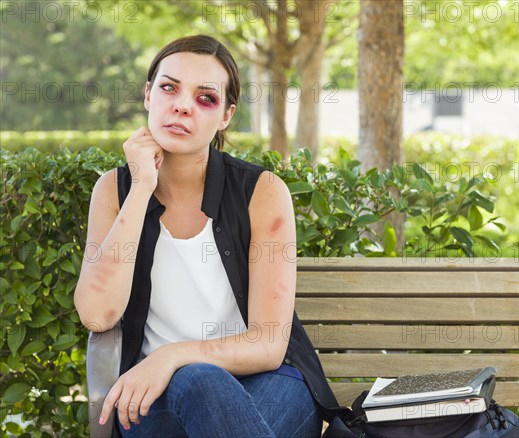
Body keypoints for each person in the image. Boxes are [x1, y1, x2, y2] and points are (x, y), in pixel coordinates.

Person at [74, 35, 347, 437]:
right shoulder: (113, 191)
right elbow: (98, 314)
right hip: (155, 398)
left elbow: (269, 345)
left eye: (205, 97)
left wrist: (173, 356)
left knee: (203, 380)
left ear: (225, 115)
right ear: (148, 95)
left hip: (269, 383)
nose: (182, 104)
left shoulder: (261, 192)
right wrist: (140, 189)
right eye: (169, 87)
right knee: (198, 383)